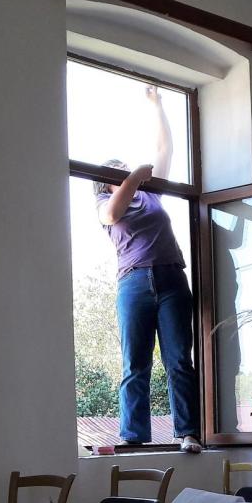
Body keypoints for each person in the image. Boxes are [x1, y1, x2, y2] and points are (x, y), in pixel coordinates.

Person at [94, 85, 201, 453]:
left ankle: (188, 433)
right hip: (134, 283)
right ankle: (133, 435)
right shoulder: (104, 204)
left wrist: (157, 105)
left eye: (124, 169)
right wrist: (135, 176)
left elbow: (164, 149)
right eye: (117, 171)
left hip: (171, 278)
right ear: (104, 180)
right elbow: (113, 214)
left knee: (179, 359)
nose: (124, 172)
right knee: (135, 363)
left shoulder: (149, 193)